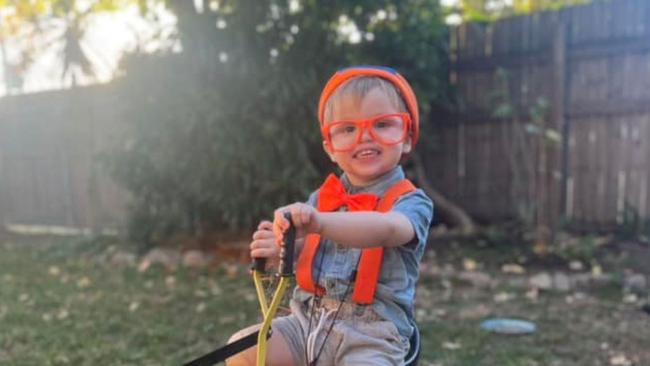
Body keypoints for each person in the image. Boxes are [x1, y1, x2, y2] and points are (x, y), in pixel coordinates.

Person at [226, 66, 433, 366]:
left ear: (407, 137)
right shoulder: (321, 200)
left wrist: (320, 222)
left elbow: (387, 229)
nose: (365, 137)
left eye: (383, 124)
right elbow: (310, 253)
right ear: (330, 148)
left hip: (373, 336)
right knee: (241, 350)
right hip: (308, 322)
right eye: (348, 129)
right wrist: (284, 250)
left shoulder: (411, 202)